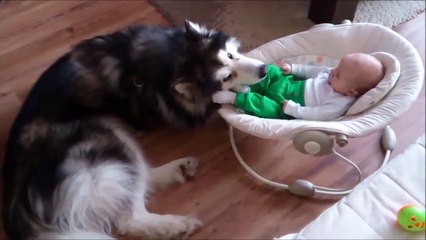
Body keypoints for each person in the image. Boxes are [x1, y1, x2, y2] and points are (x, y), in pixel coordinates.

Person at [213, 53, 385, 120]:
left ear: (351, 91)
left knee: (267, 108)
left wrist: (294, 110)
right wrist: (294, 68)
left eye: (338, 74)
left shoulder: (338, 102)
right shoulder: (331, 74)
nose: (333, 71)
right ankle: (241, 82)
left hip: (285, 103)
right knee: (272, 71)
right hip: (288, 82)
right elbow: (312, 71)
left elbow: (318, 114)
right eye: (337, 67)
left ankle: (237, 97)